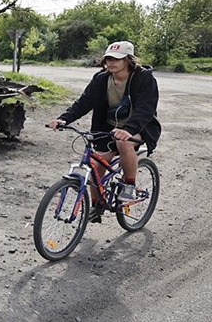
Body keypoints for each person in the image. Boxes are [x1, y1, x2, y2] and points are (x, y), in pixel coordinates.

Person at [48, 41, 161, 221]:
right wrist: (64, 118)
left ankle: (129, 185)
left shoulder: (144, 78)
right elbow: (84, 102)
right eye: (108, 58)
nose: (111, 62)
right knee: (95, 164)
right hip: (108, 128)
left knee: (124, 142)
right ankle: (96, 205)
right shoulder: (101, 79)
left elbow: (146, 109)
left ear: (128, 60)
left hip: (138, 127)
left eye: (116, 59)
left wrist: (128, 129)